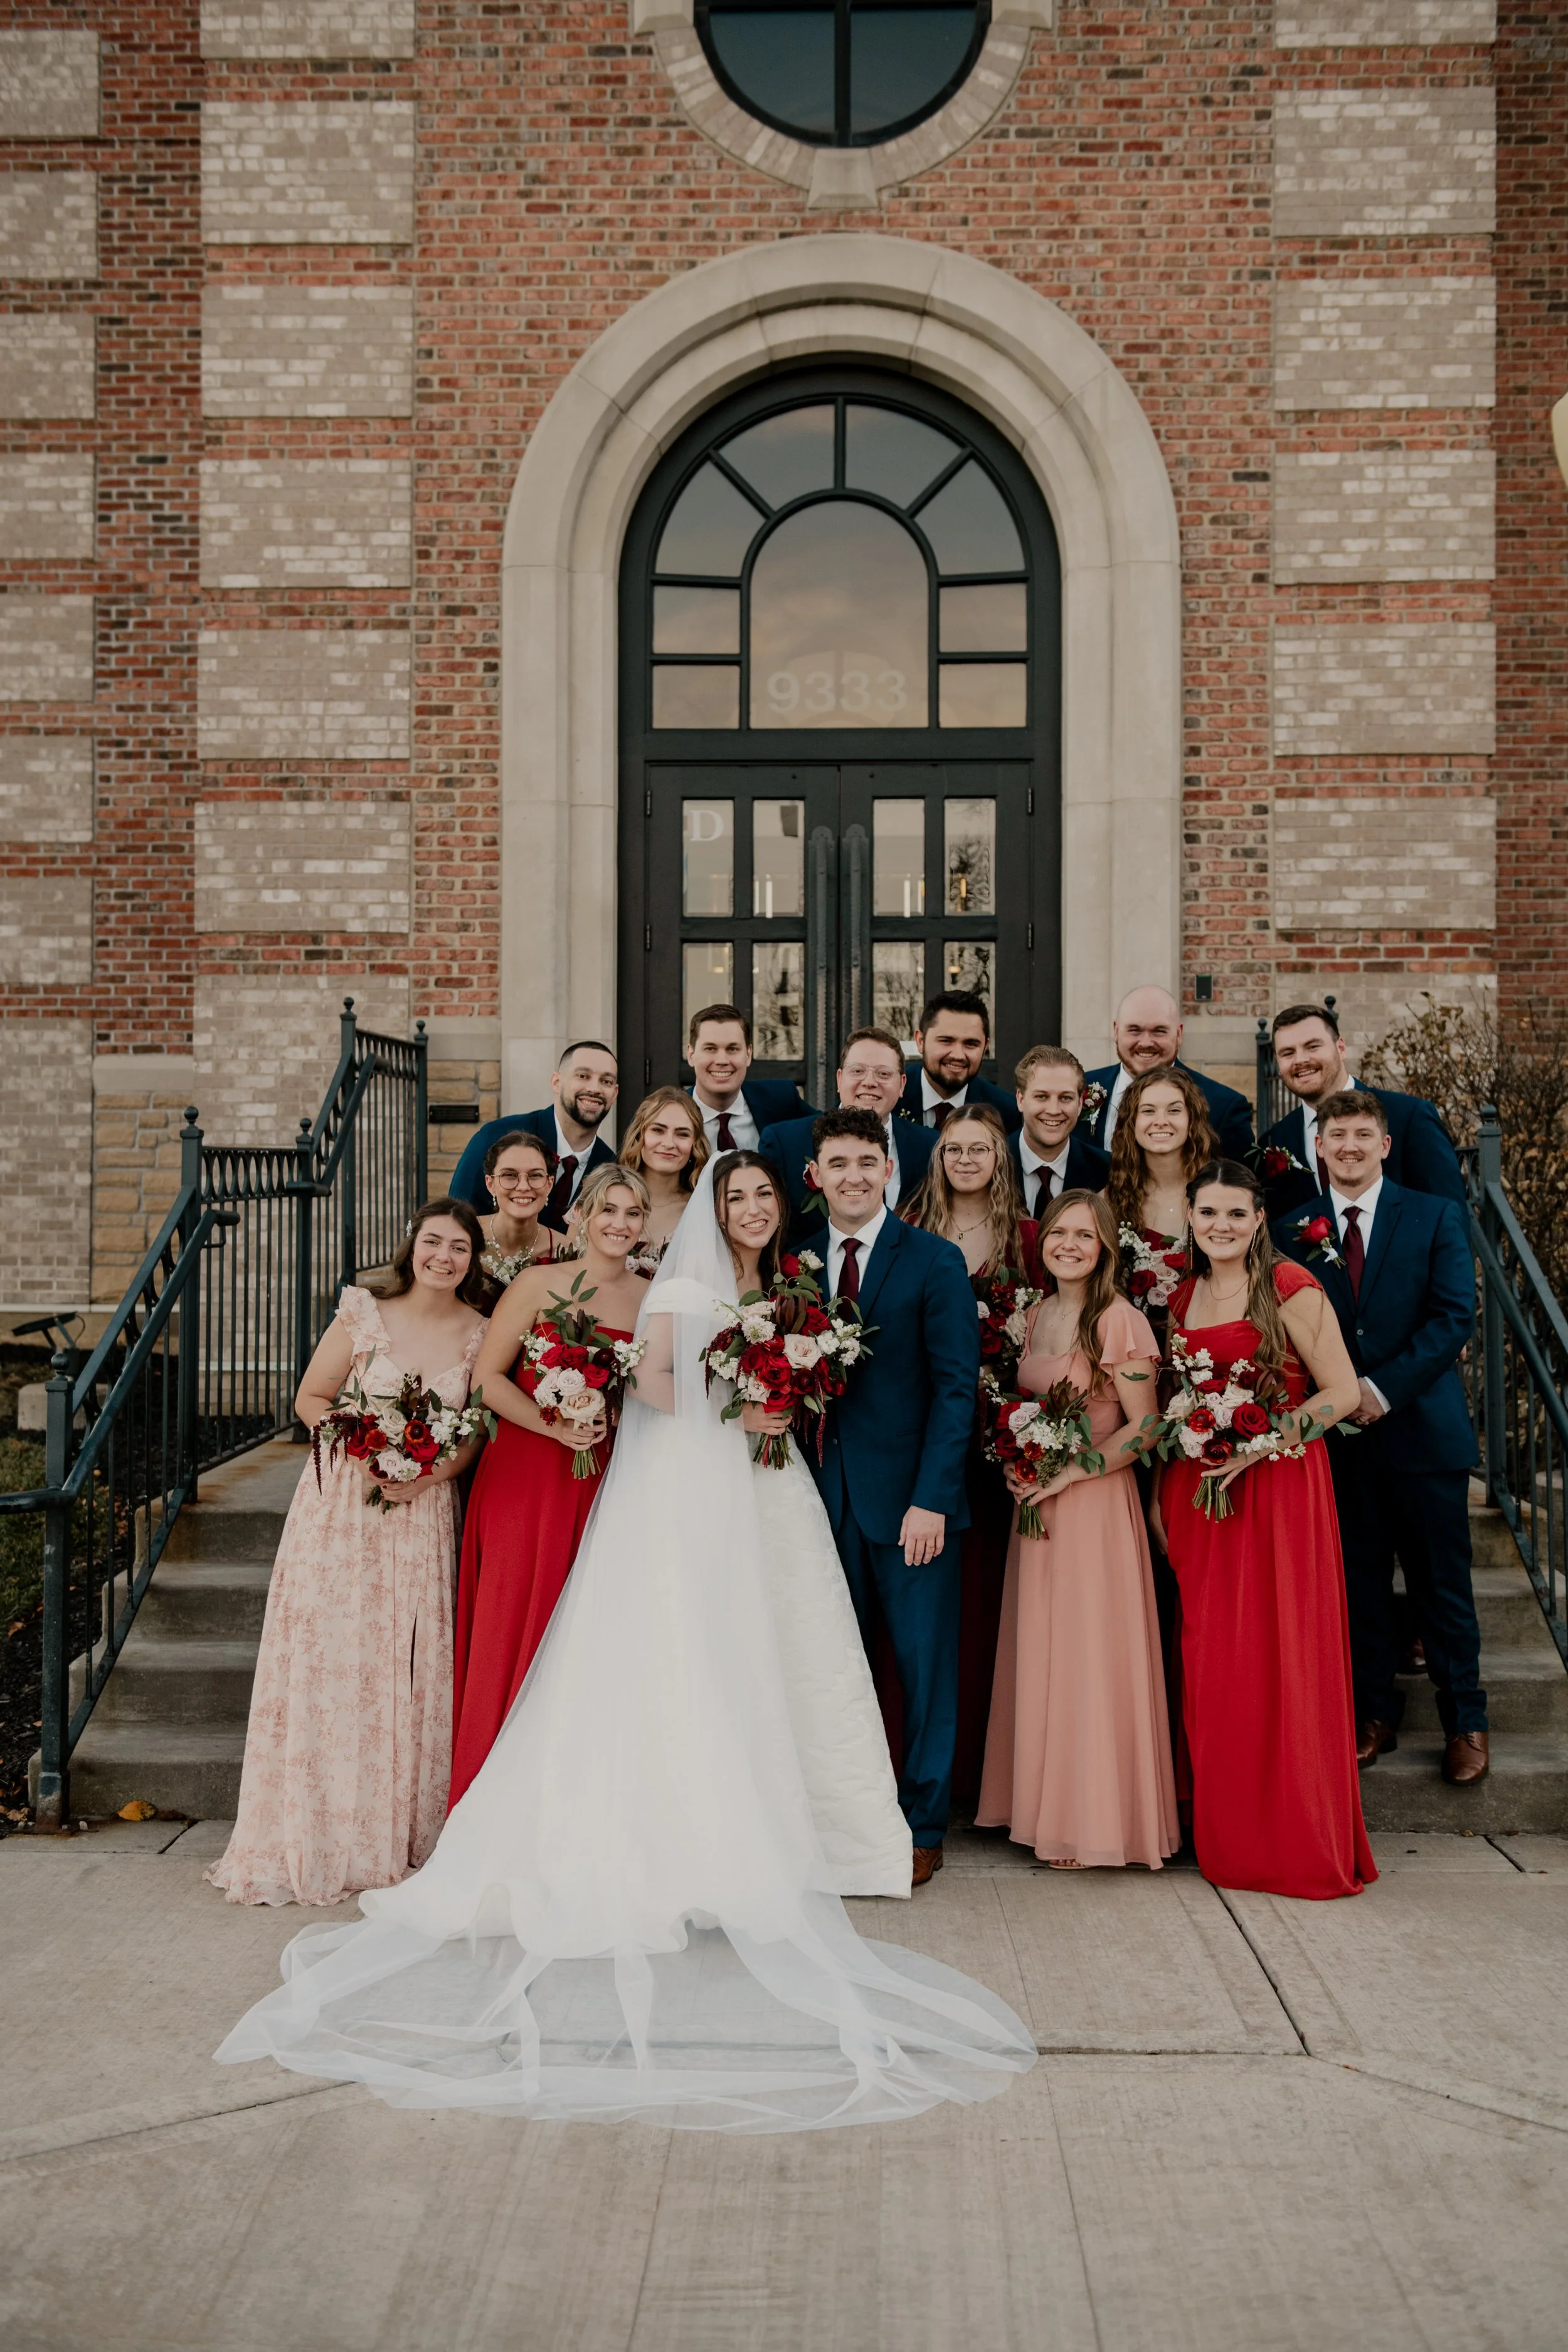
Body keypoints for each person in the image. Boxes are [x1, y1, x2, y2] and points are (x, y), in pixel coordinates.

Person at [215, 1155, 1036, 2131]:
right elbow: (652, 1386)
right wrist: (738, 1401)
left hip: (764, 1487)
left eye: (764, 1197)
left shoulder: (786, 1284)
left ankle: (830, 1831)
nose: (751, 1209)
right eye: (736, 1197)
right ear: (708, 1209)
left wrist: (779, 1394)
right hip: (692, 1479)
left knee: (783, 1654)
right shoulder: (681, 1285)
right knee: (675, 1650)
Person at [206, 1200, 490, 1908]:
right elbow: (311, 1395)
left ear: (473, 1260)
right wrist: (366, 1447)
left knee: (402, 1666)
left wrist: (430, 1473)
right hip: (341, 1514)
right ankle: (314, 1833)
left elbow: (476, 1430)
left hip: (421, 1515)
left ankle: (390, 1837)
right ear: (411, 1247)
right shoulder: (365, 1314)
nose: (444, 1257)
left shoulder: (480, 1334)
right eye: (433, 1242)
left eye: (459, 1247)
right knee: (332, 1660)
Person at [1153, 1160, 1374, 1900]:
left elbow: (1341, 1393)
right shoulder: (1181, 1298)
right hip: (1202, 1494)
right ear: (1190, 1217)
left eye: (1235, 1215)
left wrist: (1259, 1443)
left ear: (1258, 1221)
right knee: (1217, 1664)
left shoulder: (1290, 1289)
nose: (1220, 1227)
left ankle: (1291, 1838)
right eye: (1208, 1214)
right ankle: (1229, 1835)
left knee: (1279, 1655)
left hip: (1277, 1488)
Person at [1272, 1089, 1488, 1786]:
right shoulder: (1291, 1227)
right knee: (1358, 1584)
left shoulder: (1434, 1217)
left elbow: (1454, 1316)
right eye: (1337, 1137)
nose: (1350, 1148)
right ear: (1319, 1147)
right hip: (1340, 1446)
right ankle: (1372, 1714)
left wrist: (1376, 1390)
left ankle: (1466, 1720)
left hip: (1423, 1436)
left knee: (1441, 1588)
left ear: (1385, 1145)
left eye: (1363, 1135)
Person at [977, 1190, 1179, 1869]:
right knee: (1043, 1651)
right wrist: (1017, 1460)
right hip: (1036, 1502)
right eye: (1058, 1232)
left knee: (1088, 1657)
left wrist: (1073, 1471)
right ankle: (1041, 1808)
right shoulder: (1033, 1317)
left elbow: (1147, 1425)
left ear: (1105, 1250)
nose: (1067, 1244)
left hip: (1092, 1502)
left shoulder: (1118, 1320)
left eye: (1083, 1237)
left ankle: (1091, 1821)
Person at [806, 1108, 980, 1885]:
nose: (851, 1175)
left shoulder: (933, 1260)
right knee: (826, 1668)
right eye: (836, 1163)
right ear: (815, 1176)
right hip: (812, 1502)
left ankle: (921, 1822)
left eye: (864, 1161)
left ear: (887, 1170)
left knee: (922, 1666)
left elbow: (954, 1391)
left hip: (910, 1505)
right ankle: (834, 1816)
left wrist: (932, 1500)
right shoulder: (793, 1260)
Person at [448, 1163, 651, 1806]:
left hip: (604, 1479)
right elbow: (486, 1379)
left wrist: (607, 1414)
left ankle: (568, 1799)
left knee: (582, 1634)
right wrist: (552, 1422)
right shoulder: (539, 1284)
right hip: (526, 1472)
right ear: (583, 1217)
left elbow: (652, 1390)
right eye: (609, 1211)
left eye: (633, 1214)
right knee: (515, 1617)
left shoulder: (649, 1297)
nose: (620, 1224)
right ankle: (487, 1797)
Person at [901, 1104, 1037, 1804]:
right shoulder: (911, 1233)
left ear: (999, 1158)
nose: (964, 1159)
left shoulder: (1029, 1241)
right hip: (930, 1440)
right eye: (952, 1148)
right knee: (933, 1613)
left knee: (989, 1599)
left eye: (979, 1149)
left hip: (1008, 1445)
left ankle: (986, 1763)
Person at [1257, 1001, 1467, 1221]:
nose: (1300, 1060)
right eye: (1288, 1053)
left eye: (1313, 1047)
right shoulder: (1273, 1143)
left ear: (1341, 1048)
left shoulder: (1410, 1117)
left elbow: (1451, 1216)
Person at [759, 1025, 936, 1239]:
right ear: (840, 1079)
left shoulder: (931, 1146)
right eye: (858, 1071)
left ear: (902, 1084)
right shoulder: (785, 1142)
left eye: (884, 1074)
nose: (870, 1083)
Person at [450, 1040, 620, 1233]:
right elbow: (459, 1218)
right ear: (557, 1082)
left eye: (606, 1081)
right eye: (583, 1076)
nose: (595, 1089)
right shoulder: (496, 1137)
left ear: (614, 1093)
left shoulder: (610, 1166)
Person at [1104, 1066, 1217, 1337]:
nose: (1161, 1120)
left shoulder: (1220, 1193)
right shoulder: (1109, 1201)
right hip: (1131, 1345)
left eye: (1174, 1110)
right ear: (1132, 1122)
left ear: (1193, 1119)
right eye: (1148, 1111)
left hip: (1205, 1342)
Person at [1084, 983, 1253, 1160]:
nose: (1146, 1042)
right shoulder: (1081, 1090)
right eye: (1135, 1030)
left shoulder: (1224, 1107)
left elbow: (1241, 1183)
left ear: (1179, 1034)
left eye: (1159, 1031)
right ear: (1116, 1031)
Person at [685, 1001, 807, 1151]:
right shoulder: (671, 1116)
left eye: (732, 1049)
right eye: (710, 1048)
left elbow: (829, 1127)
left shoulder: (782, 1100)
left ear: (748, 1054)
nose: (722, 1061)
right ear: (691, 1055)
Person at [899, 990, 1022, 1134]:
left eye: (971, 1044)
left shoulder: (1006, 1112)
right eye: (946, 1041)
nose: (958, 1055)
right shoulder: (891, 1098)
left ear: (985, 1047)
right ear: (921, 1041)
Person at [1007, 1044, 1111, 1216]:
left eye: (1065, 1098)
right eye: (1041, 1096)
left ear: (1079, 1104)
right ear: (1021, 1099)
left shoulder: (1107, 1171)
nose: (1054, 1110)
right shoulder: (992, 1161)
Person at [614, 1085, 709, 1271]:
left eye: (682, 1134)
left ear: (695, 1144)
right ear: (639, 1135)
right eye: (658, 1130)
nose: (668, 1143)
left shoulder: (704, 1211)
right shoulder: (600, 1196)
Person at [474, 1129, 557, 1292]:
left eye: (535, 1176)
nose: (524, 1187)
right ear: (490, 1184)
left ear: (549, 1184)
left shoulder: (567, 1254)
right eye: (510, 1175)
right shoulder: (463, 1236)